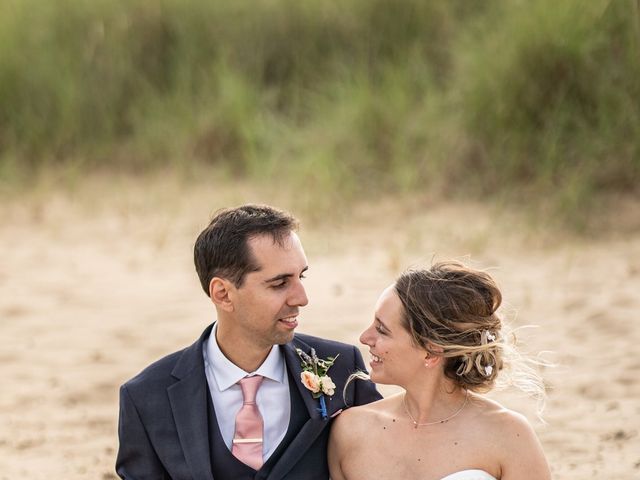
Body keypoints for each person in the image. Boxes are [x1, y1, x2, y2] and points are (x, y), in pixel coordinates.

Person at [116, 204, 381, 480]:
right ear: (223, 294)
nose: (301, 298)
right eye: (279, 283)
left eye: (300, 277)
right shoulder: (146, 397)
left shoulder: (343, 369)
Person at [329, 261, 551, 480]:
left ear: (431, 352)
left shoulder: (508, 435)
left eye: (382, 330)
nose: (365, 338)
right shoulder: (350, 431)